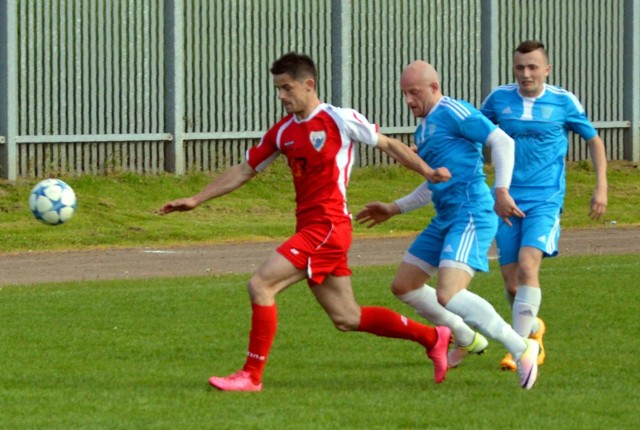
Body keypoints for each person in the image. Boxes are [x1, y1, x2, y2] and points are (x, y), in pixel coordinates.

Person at [159, 52, 454, 392]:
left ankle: (251, 376)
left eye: (286, 88)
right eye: (278, 89)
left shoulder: (339, 119)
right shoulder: (283, 132)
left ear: (308, 84)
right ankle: (433, 337)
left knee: (261, 285)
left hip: (328, 227)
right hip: (311, 228)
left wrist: (428, 171)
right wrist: (196, 199)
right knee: (347, 317)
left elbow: (389, 145)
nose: (281, 96)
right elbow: (243, 171)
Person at [355, 60, 540, 389]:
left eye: (414, 92)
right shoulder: (423, 129)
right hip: (445, 217)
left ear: (434, 88)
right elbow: (433, 184)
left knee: (449, 294)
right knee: (404, 285)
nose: (409, 100)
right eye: (404, 94)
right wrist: (393, 208)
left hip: (471, 213)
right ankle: (466, 336)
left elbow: (502, 142)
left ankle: (522, 346)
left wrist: (501, 190)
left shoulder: (453, 111)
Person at [480, 40, 608, 371]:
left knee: (527, 265)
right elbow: (475, 133)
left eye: (533, 67)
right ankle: (535, 330)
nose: (526, 74)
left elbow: (594, 140)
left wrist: (601, 187)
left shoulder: (563, 102)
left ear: (546, 69)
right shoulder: (498, 99)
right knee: (511, 284)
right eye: (520, 67)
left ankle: (519, 350)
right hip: (506, 199)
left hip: (545, 200)